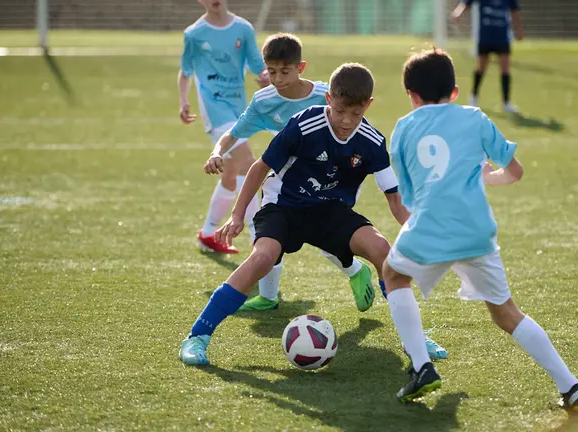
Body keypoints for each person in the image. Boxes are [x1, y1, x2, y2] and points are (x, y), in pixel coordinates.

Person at [202, 34, 448, 360]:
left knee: (382, 251)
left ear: (367, 106)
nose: (346, 120)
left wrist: (415, 231)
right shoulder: (295, 119)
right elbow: (256, 162)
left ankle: (413, 338)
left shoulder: (366, 135)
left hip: (330, 207)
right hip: (285, 202)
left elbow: (393, 195)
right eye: (340, 110)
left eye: (355, 113)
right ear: (329, 99)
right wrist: (235, 211)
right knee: (263, 257)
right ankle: (202, 333)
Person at [382, 48, 578, 413]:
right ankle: (572, 386)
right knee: (506, 312)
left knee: (393, 275)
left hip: (430, 226)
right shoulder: (475, 117)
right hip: (477, 231)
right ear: (454, 91)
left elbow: (410, 197)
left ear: (412, 96)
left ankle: (421, 367)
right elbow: (515, 172)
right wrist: (487, 178)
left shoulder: (403, 128)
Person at [178, 0, 270, 254]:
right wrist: (183, 101)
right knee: (248, 162)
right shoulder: (194, 34)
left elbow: (256, 64)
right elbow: (185, 71)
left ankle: (208, 233)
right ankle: (257, 234)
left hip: (238, 106)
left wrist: (266, 76)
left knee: (231, 173)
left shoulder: (243, 29)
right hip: (214, 108)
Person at [451, 0, 523, 113]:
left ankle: (506, 103)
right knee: (481, 67)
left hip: (502, 37)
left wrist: (518, 29)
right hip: (485, 36)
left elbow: (514, 11)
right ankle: (473, 97)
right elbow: (467, 3)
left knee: (505, 69)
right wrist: (458, 13)